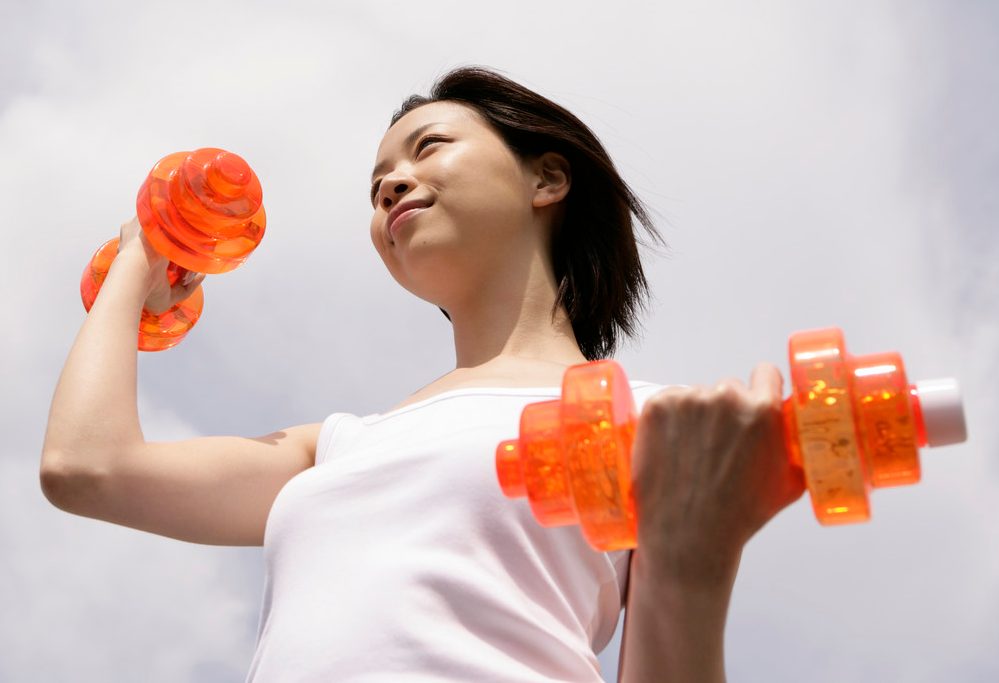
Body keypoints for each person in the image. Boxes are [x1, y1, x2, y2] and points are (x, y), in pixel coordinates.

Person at [40, 66, 805, 682]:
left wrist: (694, 556)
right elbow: (88, 465)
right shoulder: (340, 446)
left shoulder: (662, 422)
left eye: (428, 146)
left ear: (546, 179)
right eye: (378, 182)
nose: (390, 185)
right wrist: (141, 255)